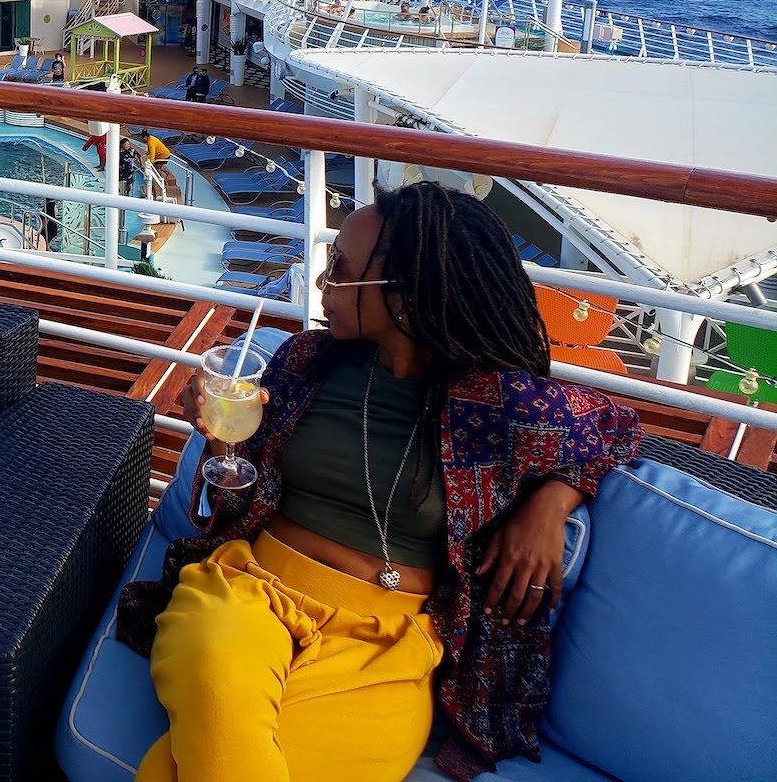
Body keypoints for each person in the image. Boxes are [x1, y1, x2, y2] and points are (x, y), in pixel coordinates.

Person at [117, 183, 642, 782]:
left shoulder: (498, 404)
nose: (322, 284)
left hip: (389, 646)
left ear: (405, 297)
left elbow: (614, 426)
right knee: (222, 715)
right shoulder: (303, 366)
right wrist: (221, 445)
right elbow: (236, 503)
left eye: (340, 269)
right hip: (246, 595)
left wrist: (551, 503)